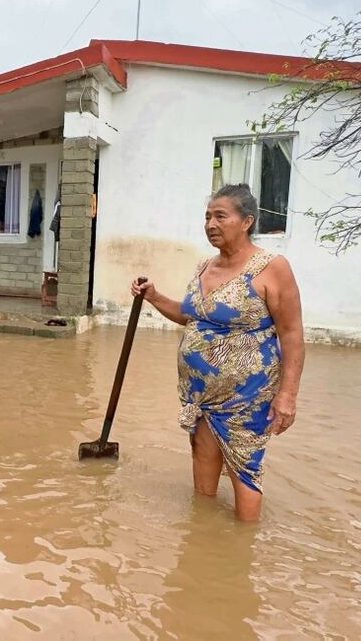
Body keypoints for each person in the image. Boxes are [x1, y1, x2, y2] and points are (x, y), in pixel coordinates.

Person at [132, 184, 304, 521]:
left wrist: (287, 396)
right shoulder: (203, 268)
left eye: (220, 216)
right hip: (201, 395)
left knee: (244, 469)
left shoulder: (272, 267)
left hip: (246, 396)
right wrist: (153, 296)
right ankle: (204, 537)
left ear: (246, 222)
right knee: (202, 459)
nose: (211, 223)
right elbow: (189, 315)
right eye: (208, 216)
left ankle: (242, 548)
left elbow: (292, 333)